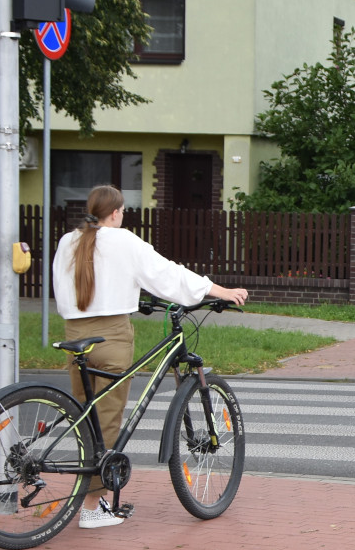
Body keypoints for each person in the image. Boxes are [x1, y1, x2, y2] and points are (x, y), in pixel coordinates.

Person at [53, 185, 248, 529]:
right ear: (115, 213)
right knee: (108, 422)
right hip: (110, 337)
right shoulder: (122, 240)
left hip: (74, 335)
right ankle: (91, 509)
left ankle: (90, 494)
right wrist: (217, 290)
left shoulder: (69, 241)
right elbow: (166, 273)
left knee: (86, 420)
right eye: (123, 212)